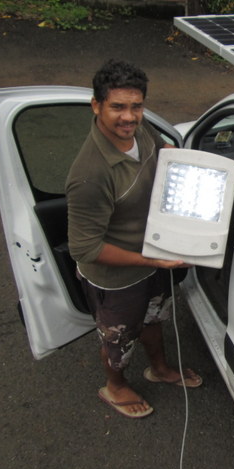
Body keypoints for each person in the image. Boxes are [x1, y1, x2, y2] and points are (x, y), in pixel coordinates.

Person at [66, 58, 202, 419]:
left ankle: (158, 369)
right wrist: (151, 260)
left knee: (154, 318)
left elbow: (157, 152)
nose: (129, 117)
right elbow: (85, 248)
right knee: (119, 338)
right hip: (118, 278)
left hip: (151, 257)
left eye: (136, 106)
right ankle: (115, 386)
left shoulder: (140, 133)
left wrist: (173, 159)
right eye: (117, 107)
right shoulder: (90, 174)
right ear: (96, 106)